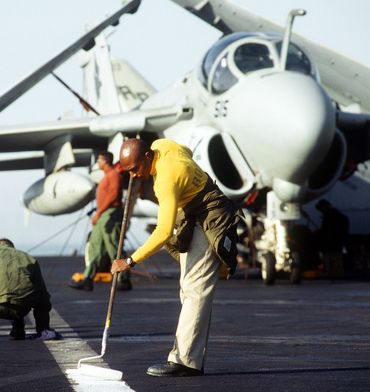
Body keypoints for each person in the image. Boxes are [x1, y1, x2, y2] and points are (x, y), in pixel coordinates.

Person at [111, 138, 243, 377]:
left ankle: (184, 361)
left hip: (210, 212)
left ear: (148, 158)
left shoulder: (164, 180)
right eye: (127, 171)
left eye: (134, 169)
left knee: (195, 289)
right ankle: (192, 358)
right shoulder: (161, 144)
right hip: (194, 208)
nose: (132, 176)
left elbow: (162, 231)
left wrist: (129, 261)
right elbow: (187, 151)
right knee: (189, 289)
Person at [69, 151, 131, 292]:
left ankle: (124, 279)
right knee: (95, 248)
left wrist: (99, 212)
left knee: (114, 246)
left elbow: (114, 195)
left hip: (110, 213)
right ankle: (88, 279)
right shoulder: (107, 176)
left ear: (105, 161)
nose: (98, 163)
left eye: (99, 160)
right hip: (103, 215)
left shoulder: (114, 175)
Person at [314, 199, 350, 277]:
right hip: (338, 241)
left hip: (333, 242)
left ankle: (332, 271)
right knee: (335, 257)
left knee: (332, 257)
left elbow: (326, 231)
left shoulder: (330, 217)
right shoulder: (339, 216)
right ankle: (334, 271)